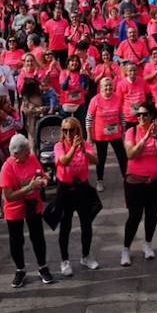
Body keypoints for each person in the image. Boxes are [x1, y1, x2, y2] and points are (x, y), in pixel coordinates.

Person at [0, 134, 54, 288]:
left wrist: (44, 180)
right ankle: (20, 269)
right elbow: (8, 196)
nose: (29, 153)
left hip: (32, 204)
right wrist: (29, 187)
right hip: (14, 208)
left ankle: (42, 267)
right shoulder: (7, 168)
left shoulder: (31, 158)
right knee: (16, 240)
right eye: (26, 151)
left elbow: (41, 175)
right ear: (16, 153)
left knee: (38, 237)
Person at [50, 117, 101, 277]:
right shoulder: (59, 146)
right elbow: (64, 161)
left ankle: (86, 255)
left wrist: (84, 151)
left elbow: (96, 161)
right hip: (65, 190)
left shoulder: (84, 145)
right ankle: (64, 260)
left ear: (78, 130)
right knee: (65, 226)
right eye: (64, 130)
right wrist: (73, 148)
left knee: (86, 223)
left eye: (71, 129)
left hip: (82, 188)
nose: (68, 133)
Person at [119, 105, 157, 266]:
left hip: (156, 179)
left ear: (151, 115)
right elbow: (130, 154)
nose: (140, 118)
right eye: (138, 115)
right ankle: (126, 249)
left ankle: (148, 244)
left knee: (151, 213)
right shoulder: (131, 132)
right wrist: (145, 138)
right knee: (134, 216)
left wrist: (156, 137)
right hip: (135, 181)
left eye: (144, 115)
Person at [85, 77, 127, 192]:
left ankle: (127, 179)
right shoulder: (95, 100)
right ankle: (99, 180)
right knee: (101, 159)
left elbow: (121, 116)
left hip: (115, 134)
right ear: (101, 88)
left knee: (122, 156)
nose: (108, 88)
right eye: (105, 86)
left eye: (110, 85)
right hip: (100, 135)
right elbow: (89, 118)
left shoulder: (117, 98)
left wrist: (123, 131)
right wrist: (89, 136)